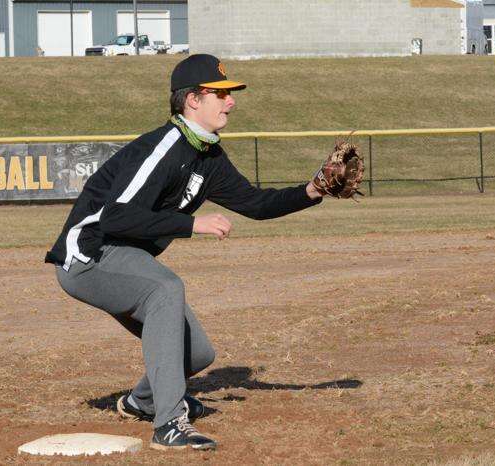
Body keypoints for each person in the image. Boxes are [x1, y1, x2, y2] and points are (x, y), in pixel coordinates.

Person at [45, 54, 326, 451]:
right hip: (90, 255)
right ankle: (169, 424)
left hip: (126, 258)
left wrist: (314, 190)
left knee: (196, 353)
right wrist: (192, 224)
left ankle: (141, 402)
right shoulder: (164, 146)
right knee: (165, 288)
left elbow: (258, 204)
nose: (230, 102)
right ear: (192, 100)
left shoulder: (207, 156)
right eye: (220, 94)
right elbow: (115, 217)